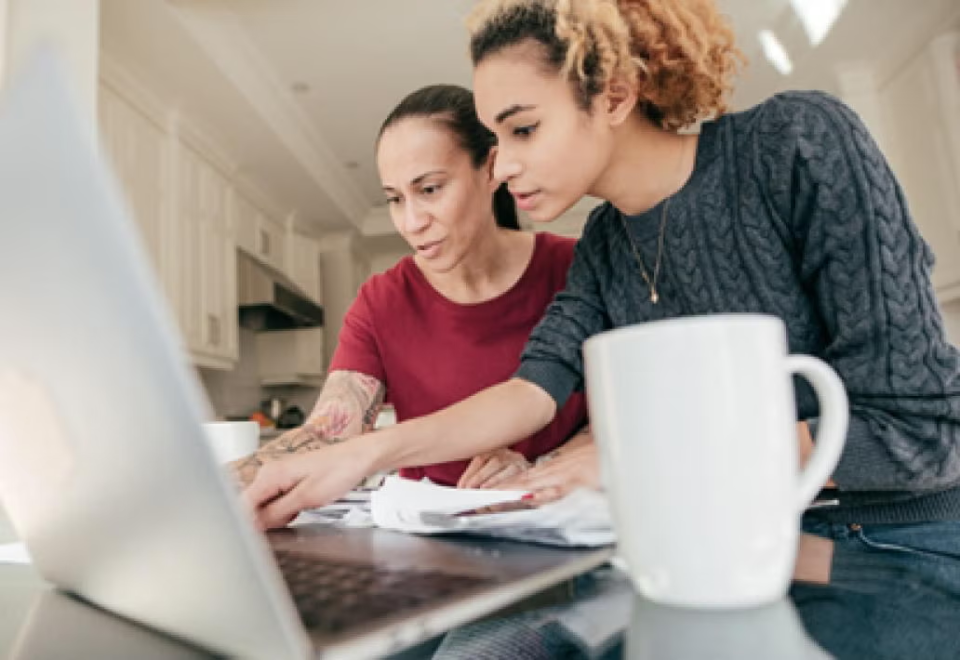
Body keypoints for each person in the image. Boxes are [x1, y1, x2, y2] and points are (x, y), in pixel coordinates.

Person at [245, 1, 960, 658]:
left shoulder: (797, 143)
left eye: (523, 129)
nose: (506, 166)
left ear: (614, 93)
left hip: (889, 541)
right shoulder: (607, 243)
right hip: (715, 544)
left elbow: (918, 433)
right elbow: (532, 390)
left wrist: (637, 461)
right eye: (495, 140)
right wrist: (364, 453)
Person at [231, 83, 591, 499]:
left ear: (491, 168)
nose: (411, 222)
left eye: (430, 189)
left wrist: (540, 467)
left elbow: (621, 419)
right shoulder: (381, 302)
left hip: (561, 520)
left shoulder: (576, 269)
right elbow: (329, 435)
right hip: (428, 538)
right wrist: (204, 486)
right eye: (395, 199)